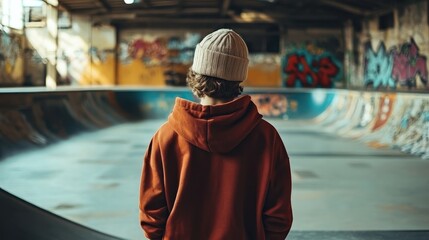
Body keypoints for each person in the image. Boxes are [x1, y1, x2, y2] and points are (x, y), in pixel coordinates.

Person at [139, 29, 293, 240]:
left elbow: (151, 213)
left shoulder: (165, 137)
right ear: (238, 79)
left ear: (196, 74)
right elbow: (278, 216)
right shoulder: (266, 137)